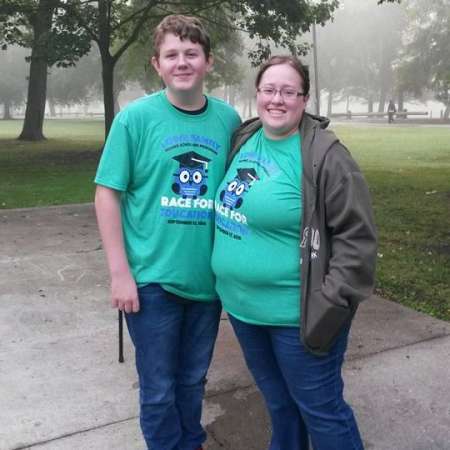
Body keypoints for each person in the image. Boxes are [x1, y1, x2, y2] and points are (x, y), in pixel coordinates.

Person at [212, 55, 377, 450]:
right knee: (280, 405)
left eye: (289, 91)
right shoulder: (245, 138)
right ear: (258, 95)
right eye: (269, 90)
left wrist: (329, 306)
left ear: (304, 99)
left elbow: (357, 241)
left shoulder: (326, 156)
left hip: (298, 318)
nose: (277, 99)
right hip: (243, 311)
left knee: (322, 413)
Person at [94, 15, 240, 450]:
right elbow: (107, 195)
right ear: (157, 64)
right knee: (158, 389)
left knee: (193, 381)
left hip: (207, 281)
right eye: (172, 54)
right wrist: (120, 273)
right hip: (151, 281)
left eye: (191, 53)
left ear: (208, 62)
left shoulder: (229, 121)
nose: (182, 62)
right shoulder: (135, 120)